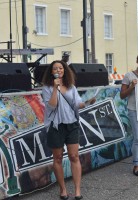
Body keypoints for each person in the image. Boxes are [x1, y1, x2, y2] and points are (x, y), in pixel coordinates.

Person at [42, 60, 95, 200]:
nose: (58, 70)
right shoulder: (47, 87)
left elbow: (77, 104)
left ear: (64, 70)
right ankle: (63, 189)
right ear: (51, 72)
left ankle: (77, 191)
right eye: (55, 68)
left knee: (74, 156)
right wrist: (55, 88)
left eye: (61, 68)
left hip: (71, 124)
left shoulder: (71, 87)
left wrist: (87, 102)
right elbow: (52, 106)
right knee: (58, 158)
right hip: (55, 126)